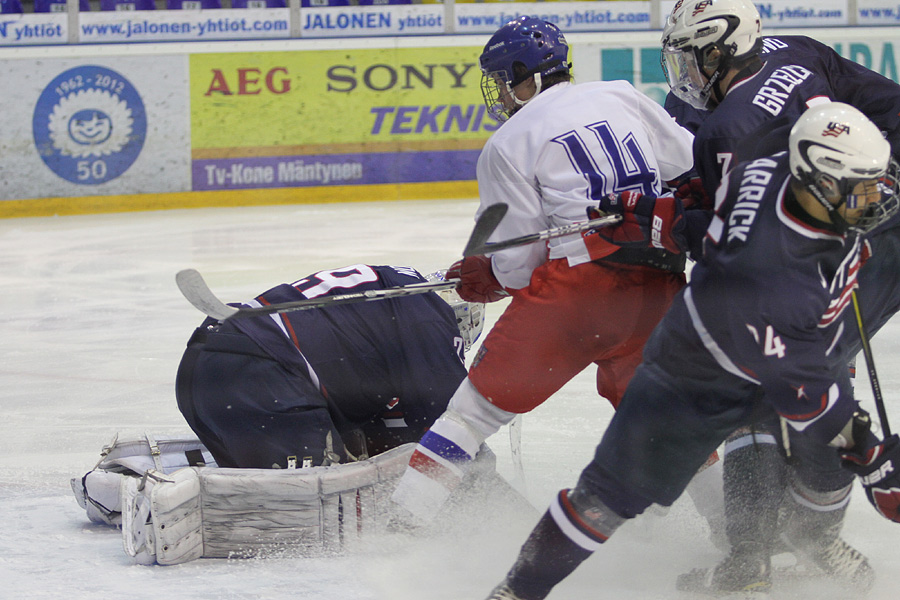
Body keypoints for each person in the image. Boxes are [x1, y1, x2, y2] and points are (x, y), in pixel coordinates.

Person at [483, 103, 900, 600]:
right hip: (693, 378)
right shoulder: (780, 278)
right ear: (817, 181)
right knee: (605, 499)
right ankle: (517, 591)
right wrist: (873, 459)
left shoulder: (763, 170)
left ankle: (812, 542)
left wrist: (650, 217)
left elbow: (707, 225)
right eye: (860, 188)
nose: (874, 199)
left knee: (826, 462)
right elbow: (802, 393)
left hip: (780, 347)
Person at [389, 16, 698, 525]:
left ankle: (401, 529)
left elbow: (517, 265)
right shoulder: (619, 94)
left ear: (520, 73)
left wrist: (484, 275)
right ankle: (741, 545)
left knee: (471, 415)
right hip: (661, 281)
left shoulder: (508, 143)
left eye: (500, 78)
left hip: (582, 293)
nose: (500, 92)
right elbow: (685, 162)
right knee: (668, 422)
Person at [659, 0, 900, 590]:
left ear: (720, 49)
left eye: (692, 61)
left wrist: (672, 221)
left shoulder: (723, 127)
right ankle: (814, 539)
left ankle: (751, 559)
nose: (686, 77)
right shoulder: (800, 48)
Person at [175, 264, 481, 469]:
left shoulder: (397, 295)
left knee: (245, 486)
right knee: (324, 506)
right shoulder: (431, 319)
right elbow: (445, 431)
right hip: (264, 376)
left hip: (207, 362)